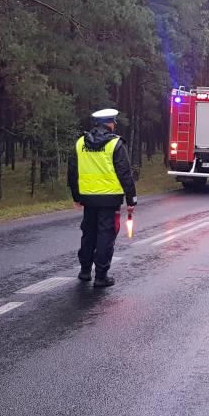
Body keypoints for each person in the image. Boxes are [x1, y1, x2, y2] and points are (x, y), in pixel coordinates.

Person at [66, 108, 136, 287]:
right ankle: (101, 276)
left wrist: (76, 196)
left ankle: (84, 271)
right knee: (105, 235)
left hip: (88, 198)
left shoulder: (81, 142)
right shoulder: (115, 144)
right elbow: (125, 173)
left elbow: (73, 172)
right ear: (111, 123)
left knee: (88, 233)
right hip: (109, 199)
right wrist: (131, 199)